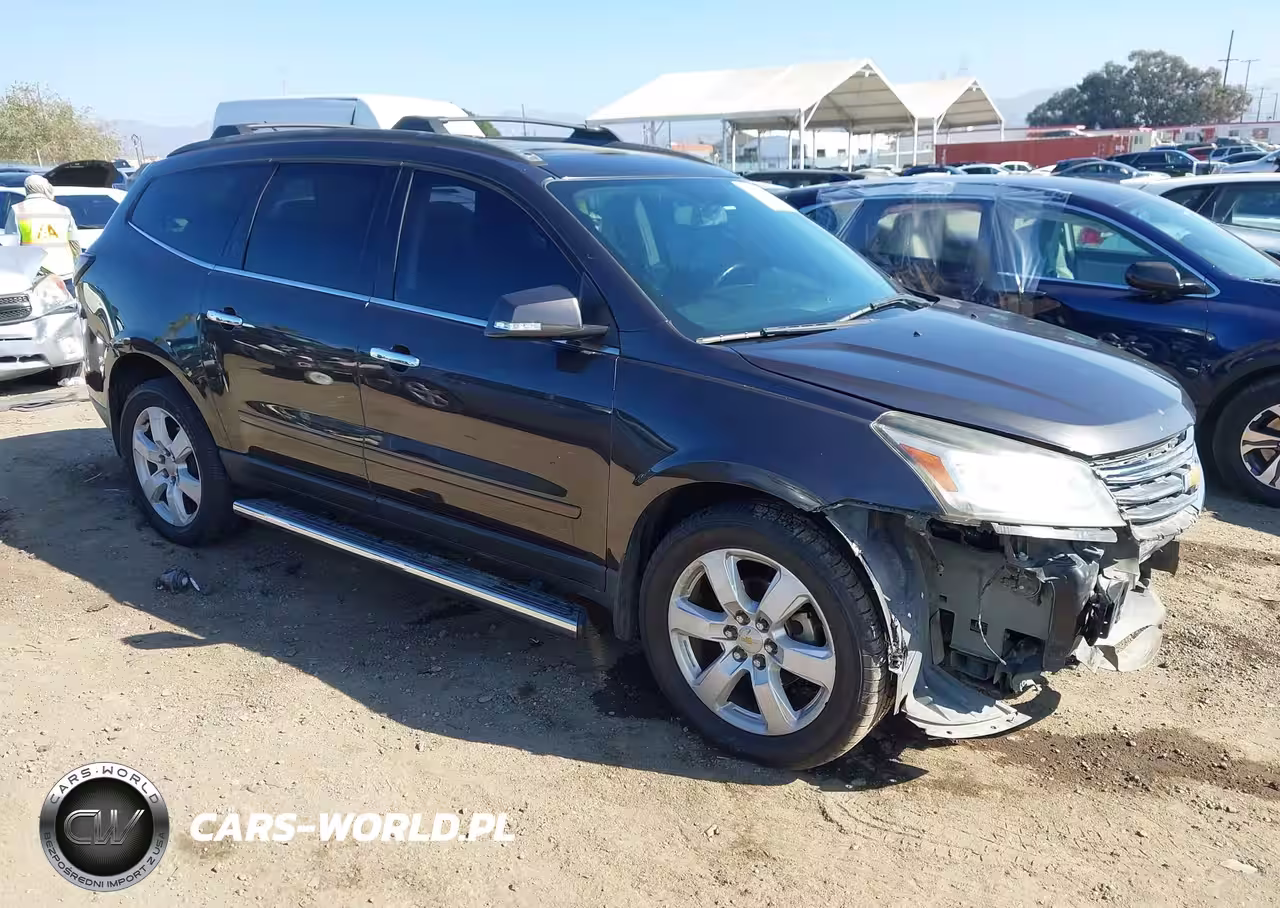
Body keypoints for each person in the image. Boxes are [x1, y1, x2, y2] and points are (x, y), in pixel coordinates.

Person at [4, 174, 79, 276]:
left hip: (34, 273)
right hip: (64, 271)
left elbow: (11, 246)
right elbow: (74, 242)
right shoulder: (63, 210)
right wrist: (77, 264)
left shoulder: (18, 210)